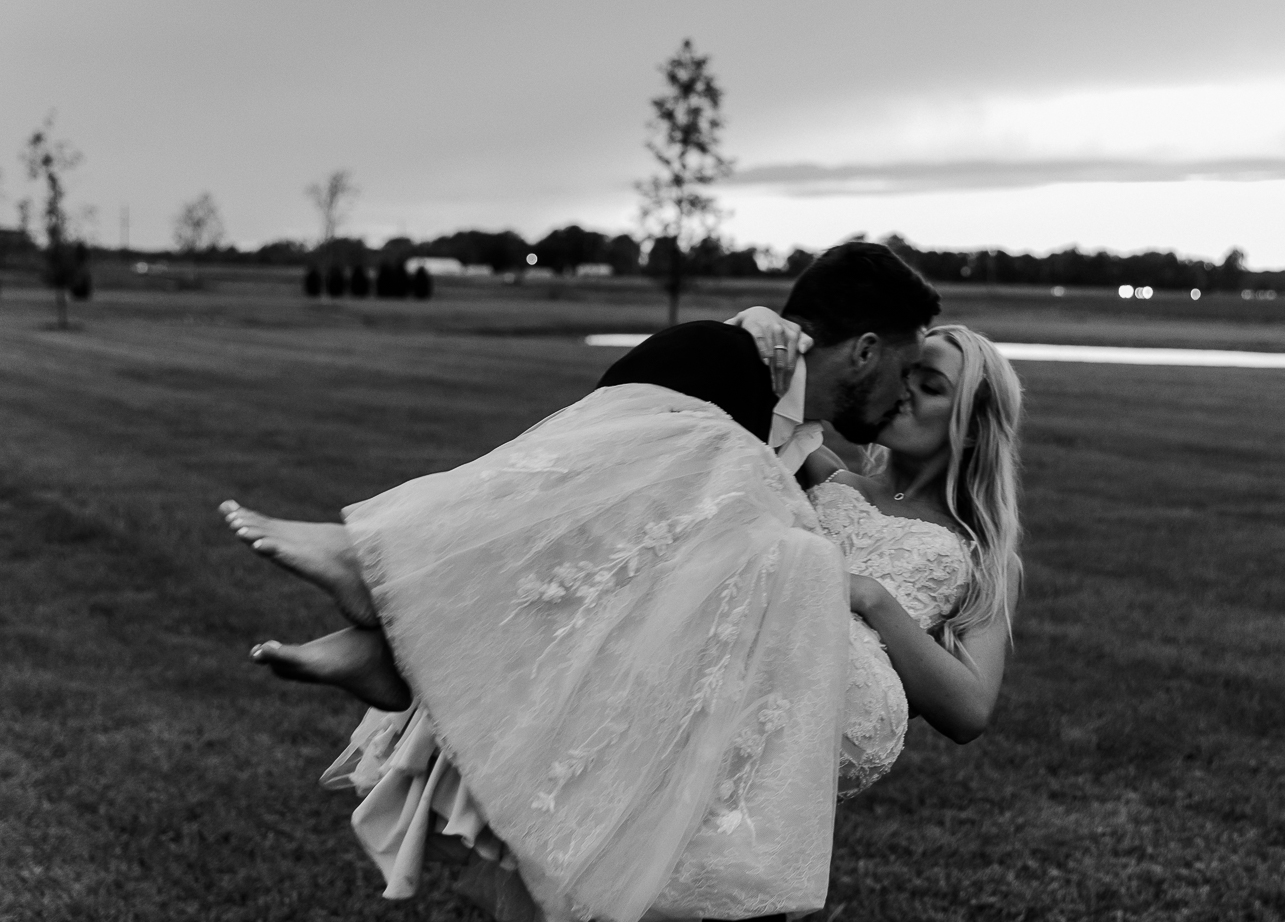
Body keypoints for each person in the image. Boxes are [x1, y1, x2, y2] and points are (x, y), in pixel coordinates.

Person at [223, 243, 950, 922]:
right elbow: (563, 502)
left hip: (667, 714)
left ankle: (389, 634)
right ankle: (379, 585)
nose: (898, 397)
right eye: (902, 370)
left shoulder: (795, 433)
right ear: (863, 351)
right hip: (633, 612)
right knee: (613, 509)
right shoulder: (723, 359)